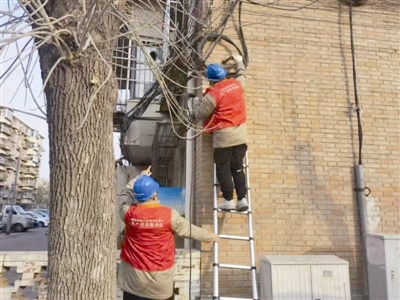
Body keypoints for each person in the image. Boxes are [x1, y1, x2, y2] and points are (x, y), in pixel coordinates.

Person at [118, 167, 219, 300]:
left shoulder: (127, 213)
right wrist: (212, 236)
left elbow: (125, 194)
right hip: (160, 286)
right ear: (154, 195)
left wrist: (139, 178)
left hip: (132, 283)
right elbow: (191, 230)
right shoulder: (169, 216)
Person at [192, 55, 249, 212]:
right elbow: (242, 75)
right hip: (240, 136)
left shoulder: (213, 95)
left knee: (223, 169)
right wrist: (239, 62)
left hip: (224, 137)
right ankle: (242, 199)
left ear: (211, 80)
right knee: (237, 167)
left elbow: (200, 114)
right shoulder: (237, 85)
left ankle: (229, 200)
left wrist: (195, 103)